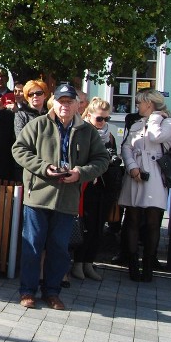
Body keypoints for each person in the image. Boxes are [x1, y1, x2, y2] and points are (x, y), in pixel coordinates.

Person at [12, 83, 110, 311]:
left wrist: (80, 173)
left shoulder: (87, 131)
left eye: (69, 101)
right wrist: (44, 168)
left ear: (78, 105)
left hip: (67, 198)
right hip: (38, 195)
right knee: (33, 246)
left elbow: (102, 160)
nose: (65, 105)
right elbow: (19, 149)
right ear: (53, 103)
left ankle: (52, 291)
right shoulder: (38, 124)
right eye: (61, 101)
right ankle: (27, 291)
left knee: (59, 248)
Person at [118, 89, 171, 282]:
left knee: (153, 222)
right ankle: (133, 263)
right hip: (135, 173)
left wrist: (155, 118)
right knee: (132, 219)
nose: (137, 106)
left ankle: (149, 265)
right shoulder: (136, 123)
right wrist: (132, 167)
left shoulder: (168, 122)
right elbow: (126, 146)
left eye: (140, 103)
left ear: (149, 104)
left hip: (155, 174)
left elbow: (155, 137)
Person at [71, 98, 124, 281]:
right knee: (85, 226)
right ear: (89, 115)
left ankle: (89, 263)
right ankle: (77, 263)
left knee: (98, 227)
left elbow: (113, 155)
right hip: (87, 185)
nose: (103, 123)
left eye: (106, 119)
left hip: (105, 185)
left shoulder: (108, 135)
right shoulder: (83, 131)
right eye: (100, 119)